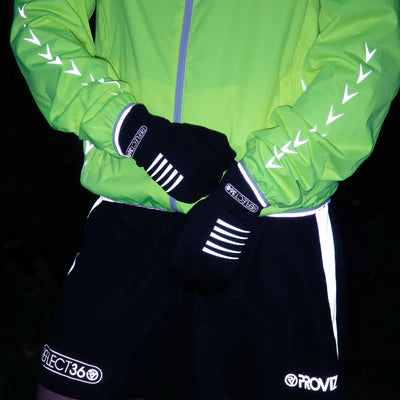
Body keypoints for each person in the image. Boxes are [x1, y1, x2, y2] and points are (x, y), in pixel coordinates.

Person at [10, 1, 400, 399]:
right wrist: (129, 127)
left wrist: (252, 187)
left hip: (273, 225)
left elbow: (366, 50)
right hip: (129, 211)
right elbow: (39, 19)